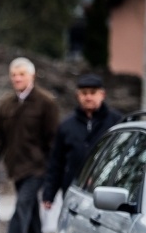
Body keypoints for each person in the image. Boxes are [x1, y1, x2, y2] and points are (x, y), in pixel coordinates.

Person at [0, 57, 58, 233]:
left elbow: (53, 139)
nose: (17, 78)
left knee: (21, 208)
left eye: (22, 74)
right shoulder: (6, 104)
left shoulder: (46, 103)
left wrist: (53, 171)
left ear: (32, 76)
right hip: (16, 168)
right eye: (14, 75)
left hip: (38, 168)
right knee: (31, 214)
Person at [43, 74, 122, 210]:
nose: (88, 97)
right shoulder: (66, 126)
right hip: (73, 189)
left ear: (102, 94)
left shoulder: (117, 121)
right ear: (77, 96)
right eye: (84, 93)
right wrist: (49, 194)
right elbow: (56, 162)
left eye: (92, 93)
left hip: (107, 191)